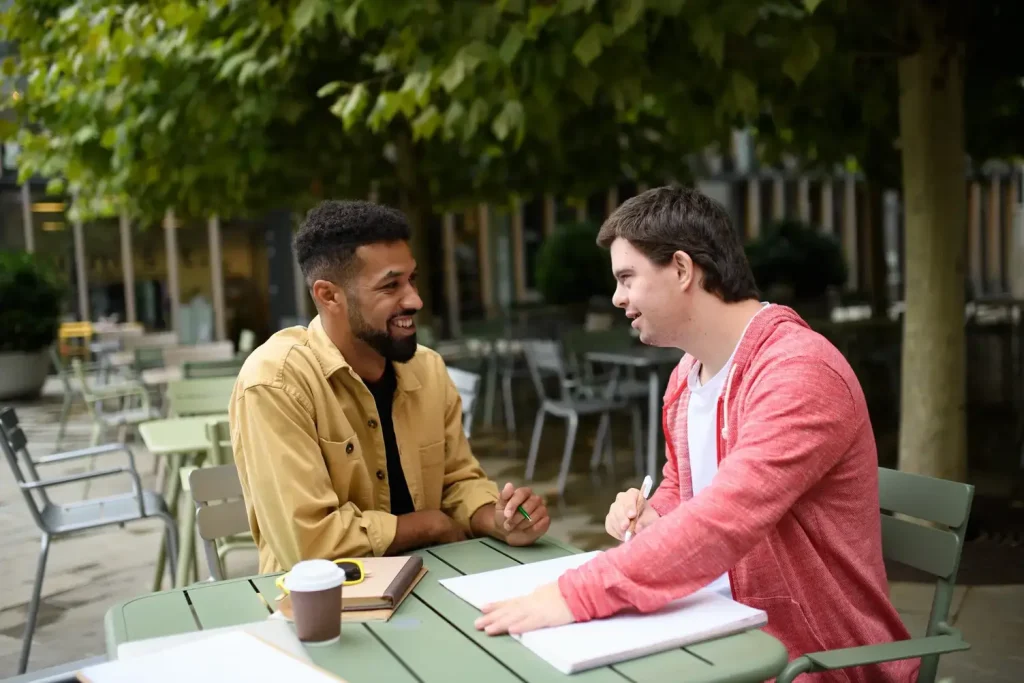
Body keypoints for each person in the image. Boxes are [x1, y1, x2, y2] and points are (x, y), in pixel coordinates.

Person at [474, 186, 916, 683]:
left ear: (682, 270)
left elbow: (725, 516)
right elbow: (683, 486)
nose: (617, 297)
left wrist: (574, 592)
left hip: (812, 660)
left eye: (626, 278)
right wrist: (654, 512)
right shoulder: (689, 374)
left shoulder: (799, 372)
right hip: (719, 627)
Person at [229, 200, 550, 574]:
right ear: (329, 296)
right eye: (391, 286)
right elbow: (308, 545)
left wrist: (497, 518)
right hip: (326, 612)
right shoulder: (274, 383)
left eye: (411, 280)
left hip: (434, 582)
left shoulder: (426, 369)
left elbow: (457, 482)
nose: (415, 299)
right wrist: (428, 524)